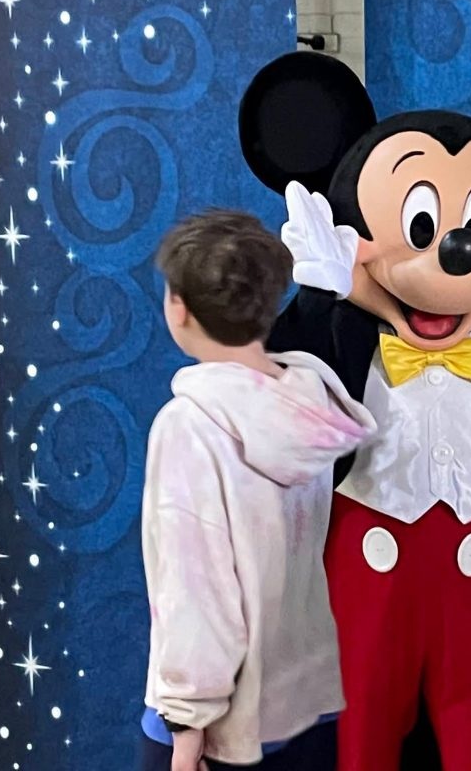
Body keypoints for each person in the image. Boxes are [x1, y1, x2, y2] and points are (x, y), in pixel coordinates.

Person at [139, 210, 375, 771]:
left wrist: (186, 731)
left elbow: (197, 593)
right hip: (309, 704)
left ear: (179, 308)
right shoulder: (309, 404)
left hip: (224, 726)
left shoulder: (190, 425)